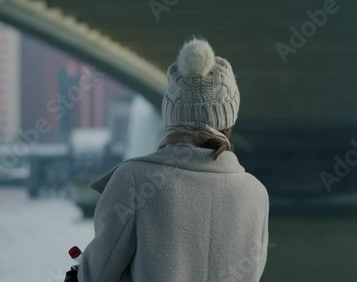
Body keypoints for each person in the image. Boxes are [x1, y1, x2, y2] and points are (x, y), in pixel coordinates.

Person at [78, 38, 269, 282]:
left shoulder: (134, 179)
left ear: (171, 115)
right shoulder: (256, 192)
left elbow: (96, 276)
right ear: (229, 119)